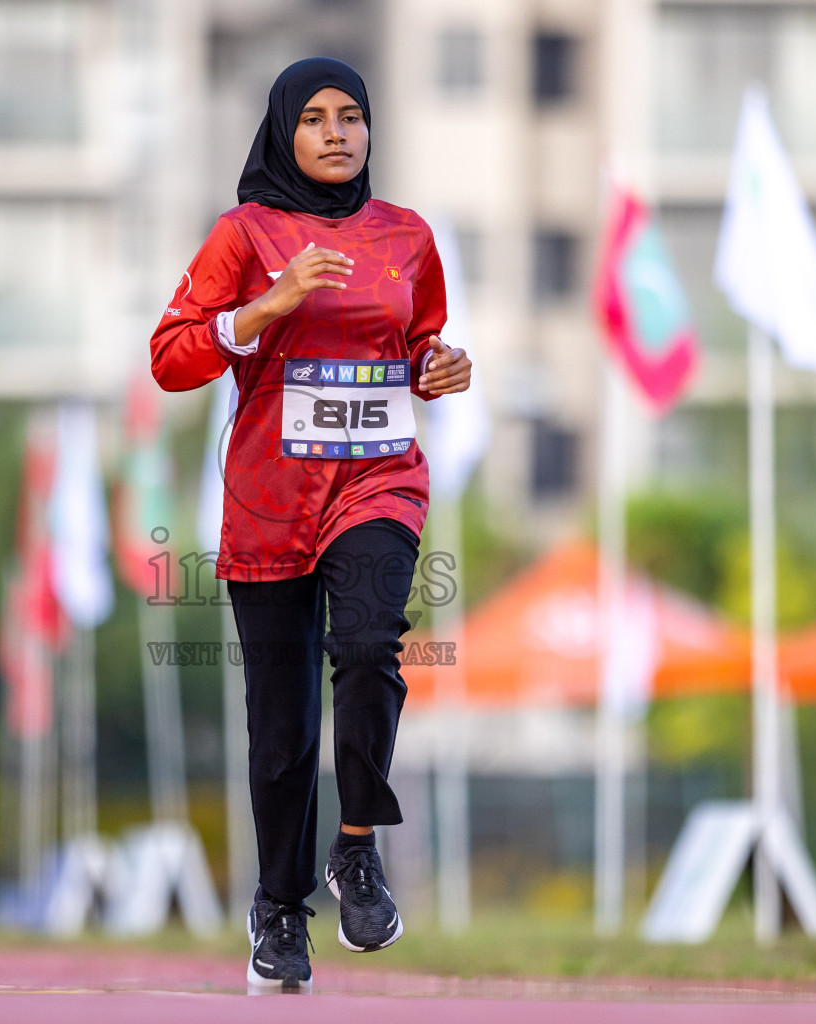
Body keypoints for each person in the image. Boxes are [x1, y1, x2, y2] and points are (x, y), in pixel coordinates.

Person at [150, 58, 472, 994]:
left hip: (378, 483)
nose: (338, 134)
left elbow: (418, 345)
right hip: (268, 501)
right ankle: (279, 909)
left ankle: (359, 848)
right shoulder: (244, 233)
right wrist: (267, 305)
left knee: (371, 647)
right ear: (284, 132)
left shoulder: (407, 237)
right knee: (281, 731)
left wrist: (440, 367)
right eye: (316, 119)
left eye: (353, 117)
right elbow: (171, 358)